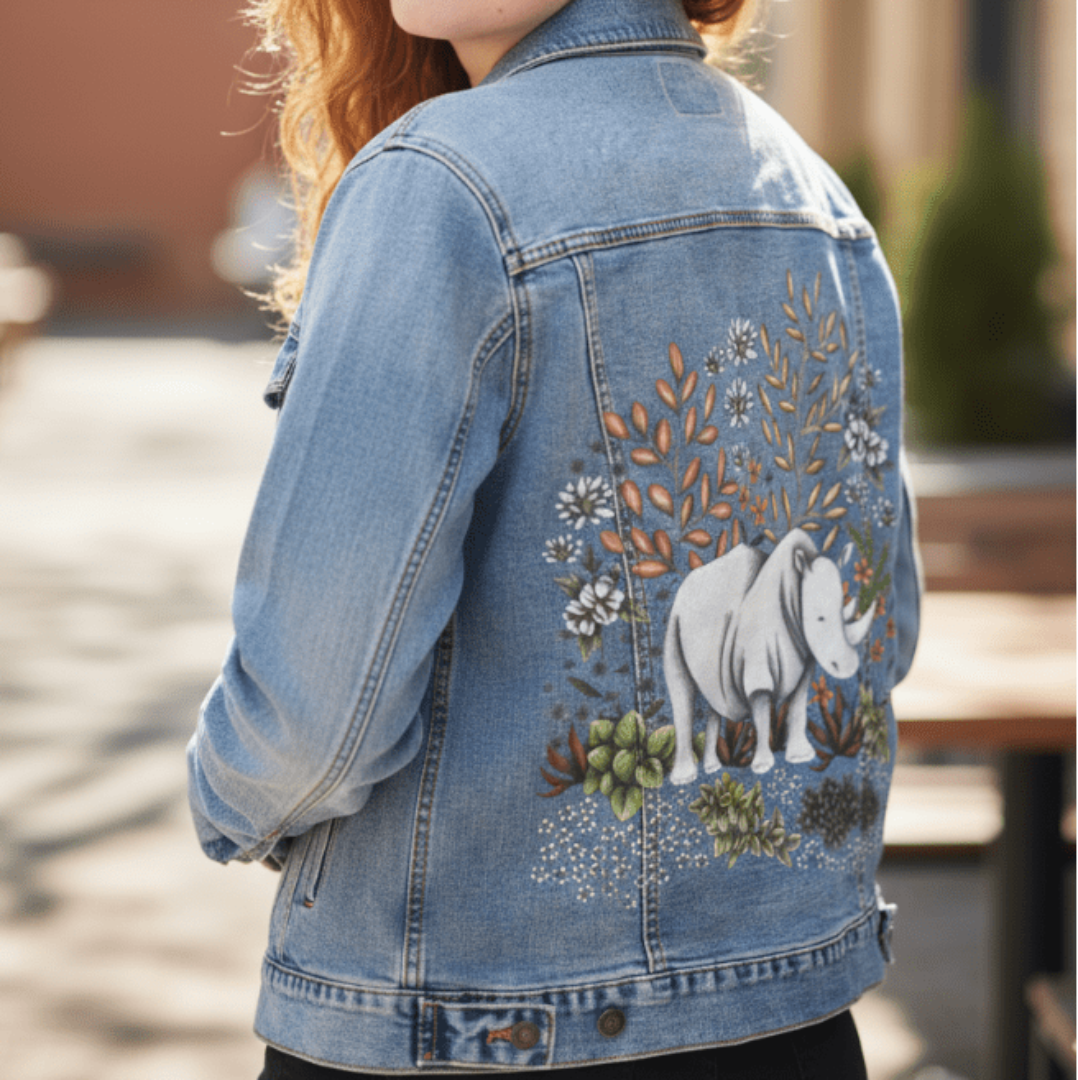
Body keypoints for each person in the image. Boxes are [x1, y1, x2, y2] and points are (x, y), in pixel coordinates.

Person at [187, 0, 921, 1076]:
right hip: (791, 1021)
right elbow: (875, 636)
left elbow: (309, 718)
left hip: (469, 1033)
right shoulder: (816, 196)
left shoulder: (438, 186)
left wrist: (225, 797)